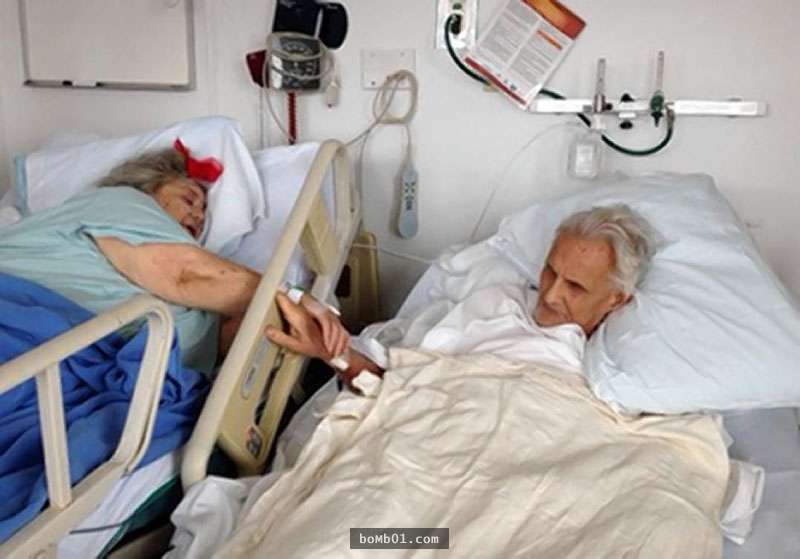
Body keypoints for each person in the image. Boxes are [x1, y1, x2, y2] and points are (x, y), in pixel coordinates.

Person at [0, 146, 349, 374]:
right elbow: (186, 275)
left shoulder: (200, 304)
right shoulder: (121, 202)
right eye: (189, 199)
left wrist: (339, 357)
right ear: (147, 188)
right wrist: (297, 297)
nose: (198, 216)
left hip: (63, 369)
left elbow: (229, 335)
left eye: (203, 213)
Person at [266, 204, 654, 388]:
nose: (551, 294)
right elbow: (393, 382)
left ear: (616, 299)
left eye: (575, 287)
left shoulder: (617, 368)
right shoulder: (497, 303)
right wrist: (333, 351)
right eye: (550, 271)